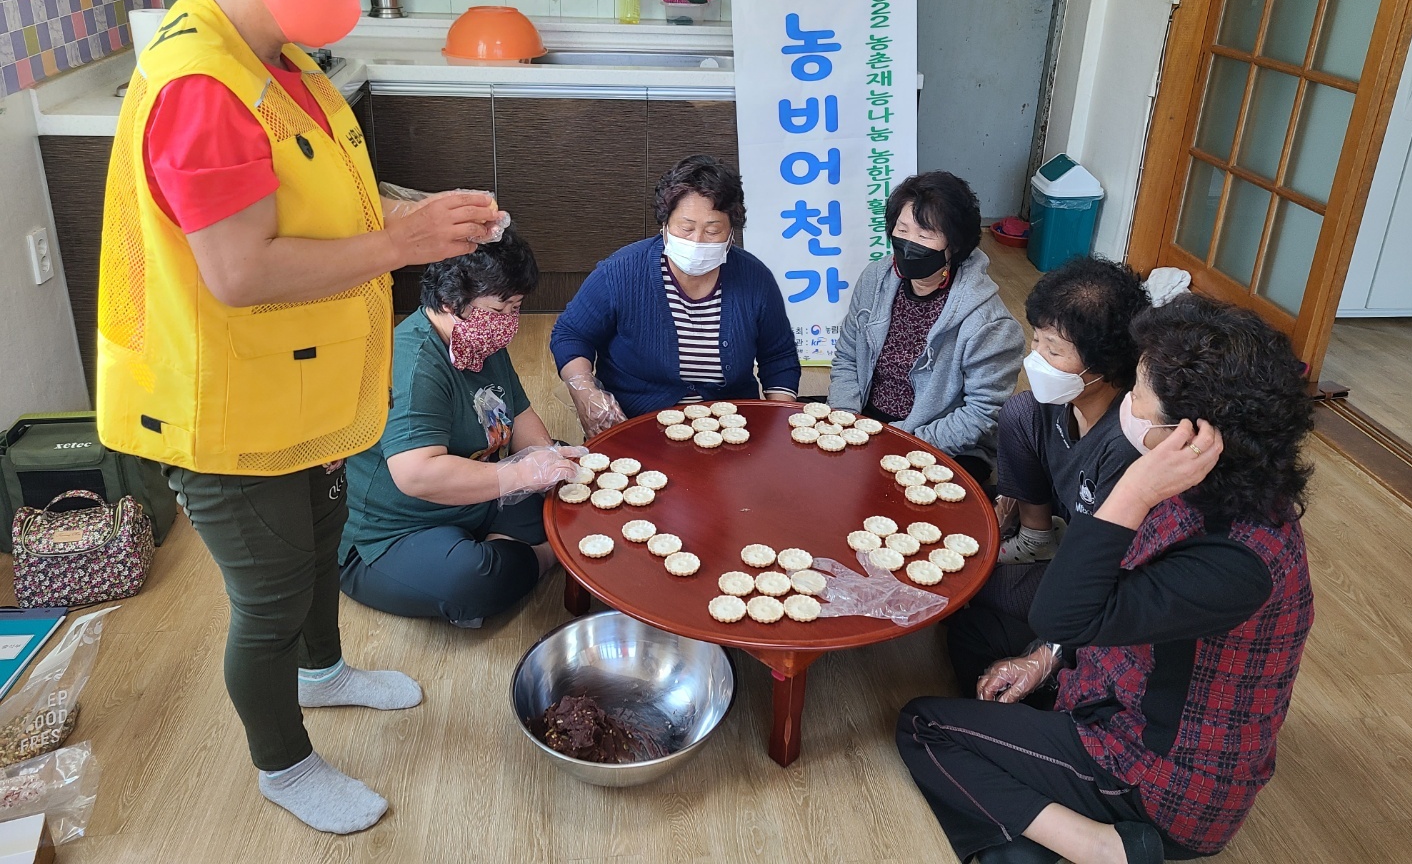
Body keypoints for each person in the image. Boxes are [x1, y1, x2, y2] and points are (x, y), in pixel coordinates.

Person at [95, 0, 506, 835]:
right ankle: (282, 764)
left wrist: (416, 212)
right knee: (270, 597)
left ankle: (322, 673)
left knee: (322, 547)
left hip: (298, 382)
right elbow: (239, 271)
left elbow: (316, 200)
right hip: (225, 401)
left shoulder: (275, 56)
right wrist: (404, 243)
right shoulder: (203, 86)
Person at [896, 295, 1315, 864]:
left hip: (1159, 779)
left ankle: (1098, 845)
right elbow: (1090, 604)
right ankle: (1027, 801)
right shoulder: (1201, 483)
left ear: (1190, 436)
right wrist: (1044, 660)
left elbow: (1062, 613)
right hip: (1110, 684)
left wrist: (1133, 491)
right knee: (978, 630)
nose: (1128, 404)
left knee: (924, 726)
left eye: (1138, 392)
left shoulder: (1236, 560)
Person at [340, 232, 582, 626]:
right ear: (450, 302)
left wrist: (544, 457)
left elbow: (519, 415)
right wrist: (520, 475)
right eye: (500, 309)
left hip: (476, 496)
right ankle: (545, 554)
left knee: (566, 470)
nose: (508, 323)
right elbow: (417, 474)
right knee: (472, 580)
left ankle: (511, 552)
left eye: (516, 308)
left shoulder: (477, 339)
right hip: (397, 530)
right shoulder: (414, 364)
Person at [948, 258, 1150, 692]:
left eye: (1054, 351)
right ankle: (1035, 538)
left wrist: (1049, 650)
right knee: (1017, 413)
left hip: (1091, 571)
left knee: (969, 588)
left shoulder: (1125, 444)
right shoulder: (1049, 406)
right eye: (1036, 340)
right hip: (1058, 535)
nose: (1035, 359)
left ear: (1104, 364)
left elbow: (1112, 573)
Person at [550, 154, 801, 436]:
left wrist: (781, 423)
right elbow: (571, 334)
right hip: (634, 424)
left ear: (732, 232)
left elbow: (778, 356)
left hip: (730, 427)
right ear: (665, 225)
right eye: (686, 228)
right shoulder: (621, 272)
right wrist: (585, 392)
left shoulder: (755, 279)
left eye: (713, 230)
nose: (697, 241)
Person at [827, 171, 1025, 483]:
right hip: (867, 421)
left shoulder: (990, 323)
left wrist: (899, 442)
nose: (909, 244)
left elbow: (981, 413)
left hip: (941, 442)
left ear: (955, 244)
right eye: (902, 230)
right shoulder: (875, 279)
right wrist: (846, 419)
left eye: (925, 235)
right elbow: (848, 357)